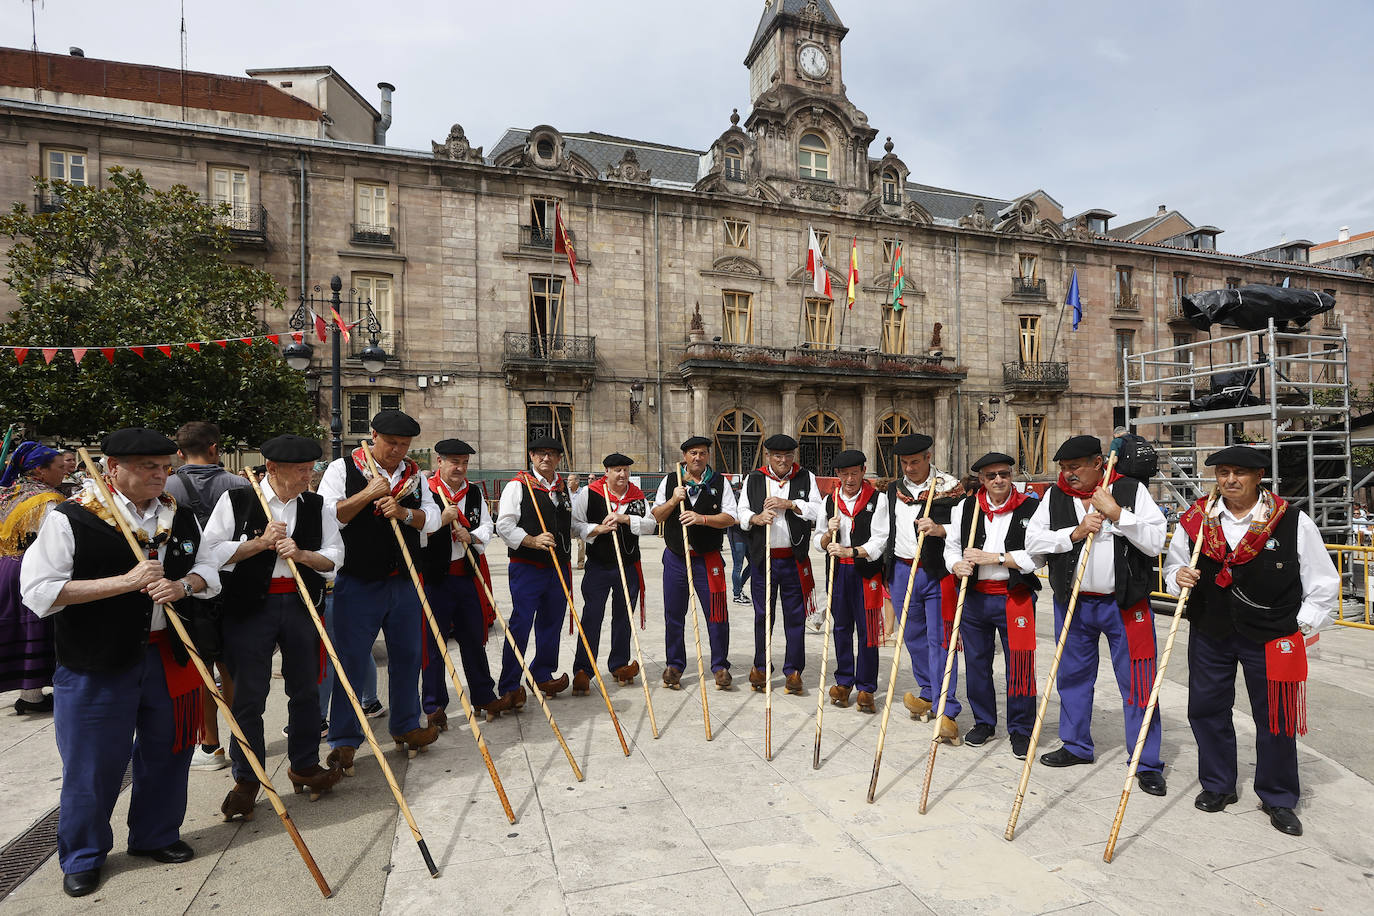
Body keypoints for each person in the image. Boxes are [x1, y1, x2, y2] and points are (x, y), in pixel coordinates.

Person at [19, 428, 220, 898]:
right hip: (96, 661)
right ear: (113, 469)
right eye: (148, 467)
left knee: (169, 750)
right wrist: (124, 582)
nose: (160, 474)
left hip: (169, 653)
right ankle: (84, 855)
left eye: (164, 466)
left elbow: (209, 571)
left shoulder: (181, 516)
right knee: (92, 763)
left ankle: (156, 835)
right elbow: (40, 592)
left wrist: (183, 585)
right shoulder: (71, 519)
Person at [1165, 445, 1339, 836]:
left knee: (1275, 717)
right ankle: (1218, 785)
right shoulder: (1197, 521)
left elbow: (1324, 584)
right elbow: (1175, 563)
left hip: (1273, 637)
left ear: (1259, 476)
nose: (1230, 480)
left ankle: (1278, 796)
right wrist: (1178, 577)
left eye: (1239, 473)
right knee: (1207, 709)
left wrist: (1299, 626)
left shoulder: (1291, 521)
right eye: (1223, 472)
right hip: (1211, 630)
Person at [201, 435, 345, 819]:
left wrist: (301, 554)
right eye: (301, 470)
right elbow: (210, 552)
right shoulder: (238, 500)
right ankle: (247, 778)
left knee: (306, 690)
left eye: (311, 469)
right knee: (249, 694)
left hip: (300, 603)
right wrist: (257, 544)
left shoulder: (316, 505)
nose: (309, 476)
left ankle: (304, 764)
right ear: (273, 469)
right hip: (249, 607)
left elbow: (335, 556)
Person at [1025, 434, 1169, 796]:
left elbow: (1154, 541)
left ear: (1098, 463)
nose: (1068, 474)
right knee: (1072, 677)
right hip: (1073, 603)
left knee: (1138, 682)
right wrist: (1074, 533)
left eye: (1075, 467)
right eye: (1064, 468)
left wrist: (1116, 513)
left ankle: (1145, 761)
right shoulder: (1054, 496)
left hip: (1126, 605)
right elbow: (1033, 545)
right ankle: (1075, 745)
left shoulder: (1131, 490)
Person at [317, 409, 441, 774]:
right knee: (352, 660)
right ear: (373, 436)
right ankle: (344, 740)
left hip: (403, 581)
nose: (398, 451)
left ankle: (405, 726)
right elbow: (329, 516)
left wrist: (402, 512)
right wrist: (367, 495)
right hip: (357, 581)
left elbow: (431, 521)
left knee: (408, 656)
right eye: (391, 443)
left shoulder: (415, 477)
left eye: (404, 445)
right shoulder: (344, 468)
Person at [943, 452, 1044, 757]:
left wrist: (997, 558)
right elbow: (951, 548)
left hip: (1015, 596)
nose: (999, 480)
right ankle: (984, 721)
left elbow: (1038, 556)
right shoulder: (967, 507)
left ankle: (1021, 729)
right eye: (991, 476)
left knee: (1020, 665)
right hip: (975, 597)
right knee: (976, 663)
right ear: (982, 480)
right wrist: (955, 566)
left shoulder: (1031, 507)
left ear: (1011, 475)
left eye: (1004, 473)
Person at [164, 421, 249, 773]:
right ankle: (242, 736)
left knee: (202, 666)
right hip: (234, 581)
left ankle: (210, 744)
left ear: (180, 452)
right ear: (215, 448)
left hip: (189, 584)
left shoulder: (167, 485)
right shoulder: (240, 485)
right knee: (232, 664)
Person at [419, 438, 507, 728]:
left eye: (465, 463)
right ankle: (434, 706)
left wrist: (473, 535)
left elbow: (485, 525)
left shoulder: (474, 493)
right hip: (434, 578)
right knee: (434, 643)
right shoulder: (427, 491)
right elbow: (416, 530)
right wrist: (442, 522)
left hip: (466, 575)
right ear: (439, 462)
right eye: (454, 462)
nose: (460, 468)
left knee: (474, 638)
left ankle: (483, 694)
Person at [882, 433, 964, 741]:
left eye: (914, 462)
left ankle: (948, 707)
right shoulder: (894, 489)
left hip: (937, 571)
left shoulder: (949, 487)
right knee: (912, 636)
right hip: (902, 570)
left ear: (928, 458)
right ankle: (928, 692)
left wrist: (941, 529)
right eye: (904, 463)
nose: (909, 468)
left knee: (940, 638)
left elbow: (969, 525)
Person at [737, 434, 824, 695]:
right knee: (763, 615)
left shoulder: (805, 477)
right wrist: (755, 517)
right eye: (777, 456)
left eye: (787, 456)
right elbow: (740, 513)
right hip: (763, 559)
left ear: (793, 456)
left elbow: (820, 510)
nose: (783, 460)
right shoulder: (754, 478)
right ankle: (761, 666)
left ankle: (794, 670)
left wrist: (791, 504)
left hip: (793, 559)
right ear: (768, 456)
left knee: (795, 617)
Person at [652, 436, 738, 689]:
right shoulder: (670, 481)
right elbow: (656, 515)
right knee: (674, 614)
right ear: (684, 457)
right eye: (692, 453)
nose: (697, 458)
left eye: (702, 453)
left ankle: (720, 666)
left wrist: (702, 519)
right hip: (677, 557)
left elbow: (731, 518)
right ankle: (675, 665)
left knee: (717, 613)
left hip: (708, 558)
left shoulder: (720, 482)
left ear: (708, 456)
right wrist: (672, 501)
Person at [494, 436, 573, 704]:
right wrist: (532, 540)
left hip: (558, 566)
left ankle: (542, 674)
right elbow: (503, 526)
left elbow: (570, 525)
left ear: (559, 458)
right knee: (521, 623)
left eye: (552, 454)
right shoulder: (518, 486)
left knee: (552, 622)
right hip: (527, 566)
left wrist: (593, 530)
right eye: (540, 453)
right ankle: (509, 685)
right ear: (531, 456)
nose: (546, 458)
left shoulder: (563, 489)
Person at [571, 453, 657, 693]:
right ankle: (583, 670)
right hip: (598, 566)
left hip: (628, 566)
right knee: (592, 617)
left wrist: (626, 518)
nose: (622, 474)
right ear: (606, 472)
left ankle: (619, 664)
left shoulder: (637, 496)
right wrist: (596, 529)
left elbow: (650, 525)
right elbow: (574, 526)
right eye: (617, 470)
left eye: (626, 470)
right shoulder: (591, 493)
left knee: (624, 617)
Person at [815, 449, 889, 713]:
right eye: (844, 474)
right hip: (837, 572)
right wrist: (827, 536)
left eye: (854, 473)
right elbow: (818, 541)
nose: (849, 479)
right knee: (841, 628)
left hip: (865, 571)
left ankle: (867, 687)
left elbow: (880, 539)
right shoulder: (829, 501)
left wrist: (852, 551)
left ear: (862, 471)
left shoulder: (877, 499)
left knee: (868, 630)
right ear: (838, 475)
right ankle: (844, 681)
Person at [0, 441, 67, 713]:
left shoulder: (8, 494)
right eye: (60, 467)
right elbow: (55, 539)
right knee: (36, 625)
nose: (64, 472)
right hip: (31, 566)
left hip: (6, 566)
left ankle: (30, 694)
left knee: (21, 627)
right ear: (39, 471)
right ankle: (32, 696)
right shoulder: (47, 500)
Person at [727, 519, 751, 605]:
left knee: (753, 564)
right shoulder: (733, 504)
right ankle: (737, 595)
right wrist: (749, 519)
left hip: (747, 536)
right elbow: (730, 519)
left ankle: (739, 587)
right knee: (738, 566)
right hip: (736, 537)